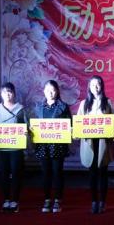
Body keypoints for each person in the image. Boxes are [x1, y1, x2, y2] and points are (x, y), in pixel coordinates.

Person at [78, 75, 114, 214]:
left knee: (103, 172)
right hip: (89, 143)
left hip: (103, 143)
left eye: (98, 84)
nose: (96, 87)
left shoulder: (108, 102)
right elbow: (79, 123)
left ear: (102, 86)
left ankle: (103, 202)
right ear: (89, 87)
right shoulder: (84, 104)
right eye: (93, 84)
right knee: (92, 173)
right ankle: (94, 201)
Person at [34, 80, 71, 213]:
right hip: (43, 145)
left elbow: (69, 125)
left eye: (53, 90)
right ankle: (47, 199)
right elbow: (35, 125)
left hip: (57, 145)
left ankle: (58, 200)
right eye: (48, 90)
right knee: (45, 173)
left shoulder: (63, 107)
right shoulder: (39, 107)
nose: (50, 92)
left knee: (57, 172)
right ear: (44, 91)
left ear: (57, 91)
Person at [0, 82, 27, 213]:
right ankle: (6, 199)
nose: (7, 94)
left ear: (14, 93)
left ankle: (15, 200)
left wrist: (25, 132)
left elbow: (25, 126)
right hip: (2, 148)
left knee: (16, 173)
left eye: (10, 92)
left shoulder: (20, 109)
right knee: (4, 174)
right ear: (1, 94)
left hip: (16, 148)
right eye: (5, 92)